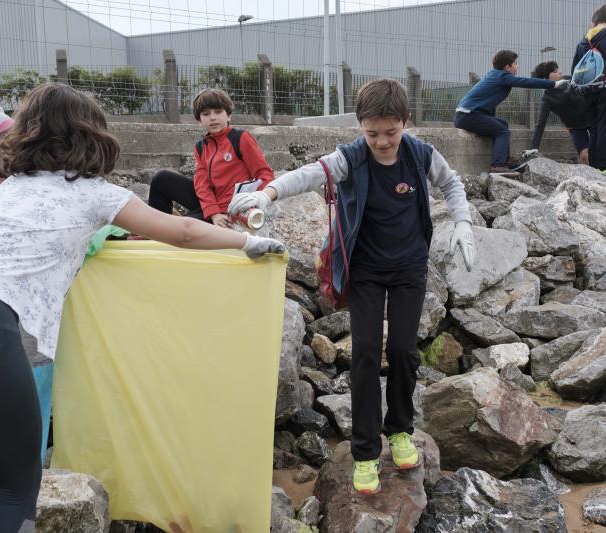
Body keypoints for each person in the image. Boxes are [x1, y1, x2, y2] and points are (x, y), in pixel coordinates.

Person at [0, 82, 285, 532]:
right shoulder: (93, 193)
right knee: (16, 493)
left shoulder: (12, 186)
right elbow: (182, 232)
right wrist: (248, 240)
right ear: (92, 133)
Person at [229, 79, 475, 494]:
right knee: (362, 353)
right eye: (371, 133)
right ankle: (364, 452)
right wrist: (268, 194)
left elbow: (452, 184)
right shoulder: (351, 159)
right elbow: (310, 175)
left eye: (390, 132)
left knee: (402, 350)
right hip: (364, 268)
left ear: (405, 123)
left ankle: (399, 430)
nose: (381, 141)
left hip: (410, 267)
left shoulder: (421, 155)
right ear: (360, 127)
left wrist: (464, 221)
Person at [147, 88, 274, 228]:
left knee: (184, 225)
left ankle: (167, 229)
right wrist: (213, 212)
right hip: (211, 205)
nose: (212, 117)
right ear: (199, 120)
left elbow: (264, 174)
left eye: (218, 112)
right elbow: (202, 184)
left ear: (229, 115)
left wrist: (252, 206)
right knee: (161, 179)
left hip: (233, 208)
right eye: (206, 114)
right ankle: (153, 228)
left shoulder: (240, 138)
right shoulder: (201, 147)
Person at [454, 49, 568, 173]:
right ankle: (497, 166)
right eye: (515, 64)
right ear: (507, 67)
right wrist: (554, 84)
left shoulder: (494, 74)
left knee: (503, 125)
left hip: (466, 114)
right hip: (468, 115)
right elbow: (526, 82)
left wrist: (491, 120)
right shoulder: (503, 76)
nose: (517, 66)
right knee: (502, 132)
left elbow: (488, 103)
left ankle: (504, 161)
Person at [571, 4, 606, 178]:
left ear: (594, 20)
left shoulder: (584, 39)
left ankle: (594, 167)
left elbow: (575, 67)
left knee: (595, 127)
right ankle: (602, 167)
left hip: (587, 88)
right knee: (605, 127)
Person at [526, 61, 592, 165]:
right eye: (555, 71)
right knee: (584, 156)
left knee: (602, 150)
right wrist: (534, 147)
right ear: (546, 79)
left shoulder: (570, 79)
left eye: (558, 69)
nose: (560, 72)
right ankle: (594, 179)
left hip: (592, 118)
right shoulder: (547, 99)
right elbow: (540, 124)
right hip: (575, 127)